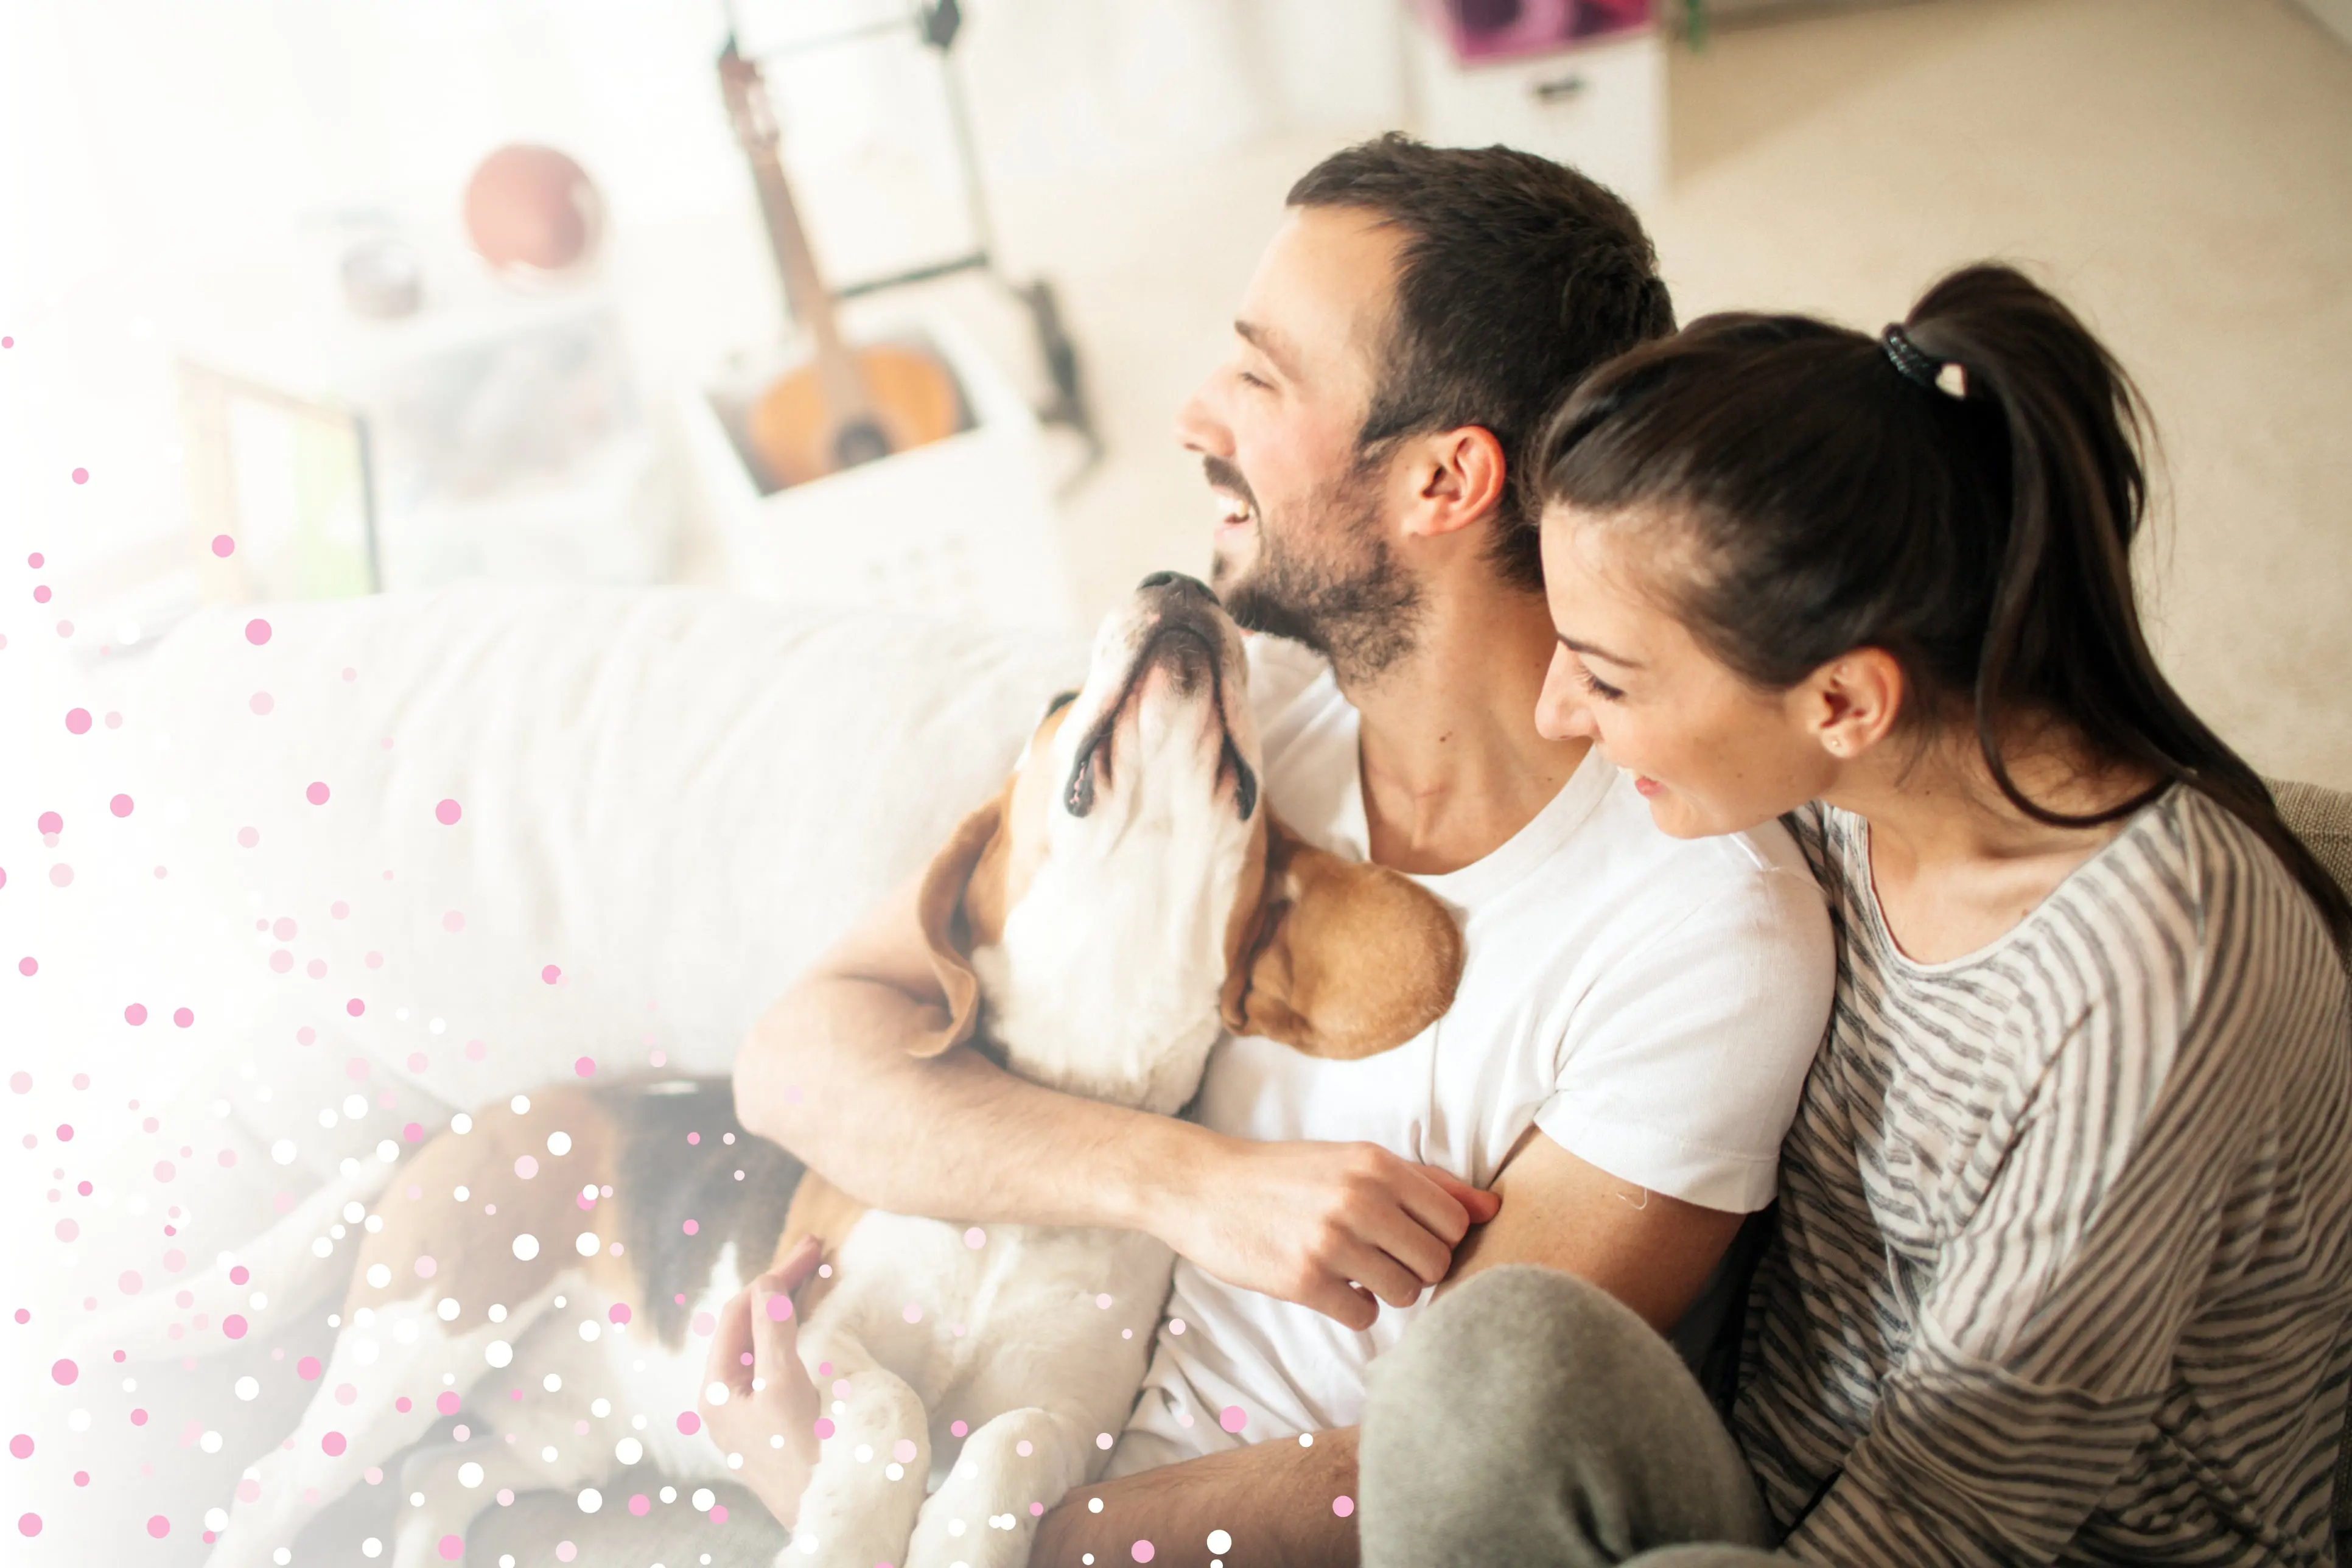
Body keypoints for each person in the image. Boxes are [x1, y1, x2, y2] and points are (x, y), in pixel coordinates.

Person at [698, 135, 1836, 1563]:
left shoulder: (1702, 937)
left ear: (1444, 480)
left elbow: (1435, 1465)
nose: (1193, 412)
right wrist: (1186, 1183)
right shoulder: (1238, 709)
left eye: (1260, 375)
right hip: (953, 1428)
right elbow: (793, 1064)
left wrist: (923, 1524)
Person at [1356, 262, 2352, 1566]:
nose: (1559, 712)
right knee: (1483, 1362)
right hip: (1778, 1457)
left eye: (1606, 678)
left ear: (1843, 703)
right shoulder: (1837, 790)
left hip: (2000, 1537)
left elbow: (1962, 1512)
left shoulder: (2154, 972)